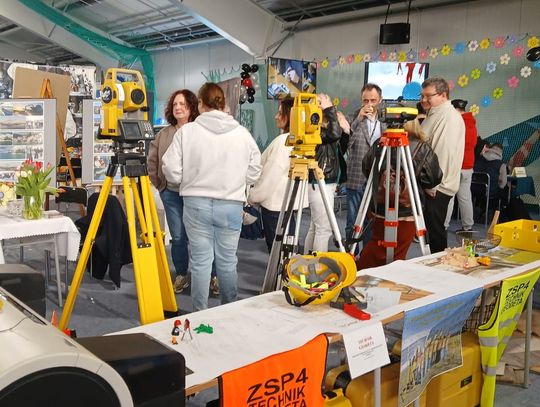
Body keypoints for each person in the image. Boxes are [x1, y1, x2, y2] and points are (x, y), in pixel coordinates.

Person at [162, 83, 261, 311]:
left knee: (200, 262)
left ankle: (200, 314)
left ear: (200, 103)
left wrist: (185, 180)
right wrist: (239, 182)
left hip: (196, 203)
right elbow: (255, 168)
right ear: (222, 102)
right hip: (231, 204)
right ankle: (228, 310)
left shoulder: (187, 132)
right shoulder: (242, 133)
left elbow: (170, 168)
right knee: (227, 261)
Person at [358, 119, 442, 269]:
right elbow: (432, 178)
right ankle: (386, 278)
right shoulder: (421, 147)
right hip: (408, 210)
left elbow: (367, 168)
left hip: (379, 208)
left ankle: (365, 274)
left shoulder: (380, 143)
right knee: (398, 254)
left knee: (376, 247)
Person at [148, 89, 199, 294]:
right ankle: (181, 274)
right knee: (178, 236)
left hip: (196, 194)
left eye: (183, 104)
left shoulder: (199, 132)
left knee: (200, 237)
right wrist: (160, 185)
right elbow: (152, 161)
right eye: (175, 104)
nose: (178, 107)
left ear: (192, 107)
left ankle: (211, 275)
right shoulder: (164, 134)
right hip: (170, 193)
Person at [248, 97, 308, 252]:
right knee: (287, 249)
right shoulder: (299, 140)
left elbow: (270, 177)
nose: (276, 116)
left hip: (276, 206)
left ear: (290, 117)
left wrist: (253, 197)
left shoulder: (284, 142)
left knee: (278, 251)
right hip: (286, 204)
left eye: (280, 113)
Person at [420, 77, 465, 253]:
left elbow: (443, 153)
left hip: (437, 186)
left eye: (428, 96)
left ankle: (438, 264)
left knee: (435, 233)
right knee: (431, 231)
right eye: (422, 95)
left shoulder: (448, 117)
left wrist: (432, 183)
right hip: (433, 183)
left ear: (443, 95)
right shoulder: (436, 113)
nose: (423, 99)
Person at [341, 83, 386, 241]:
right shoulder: (352, 117)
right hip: (357, 175)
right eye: (365, 100)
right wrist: (359, 119)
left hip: (378, 176)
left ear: (380, 100)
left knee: (371, 222)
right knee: (352, 221)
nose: (369, 104)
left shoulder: (385, 120)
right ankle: (350, 253)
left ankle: (366, 254)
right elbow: (346, 144)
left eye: (373, 100)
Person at [304, 93, 343, 253]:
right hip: (320, 182)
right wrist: (330, 111)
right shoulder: (313, 129)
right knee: (324, 229)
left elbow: (340, 144)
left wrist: (345, 127)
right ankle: (317, 265)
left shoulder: (325, 127)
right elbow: (334, 135)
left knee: (316, 227)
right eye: (320, 103)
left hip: (325, 181)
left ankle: (309, 262)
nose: (323, 106)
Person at [444, 99, 477, 232]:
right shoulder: (472, 123)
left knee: (449, 196)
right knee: (465, 198)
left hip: (456, 165)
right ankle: (468, 226)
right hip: (468, 165)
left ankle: (444, 225)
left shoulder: (456, 122)